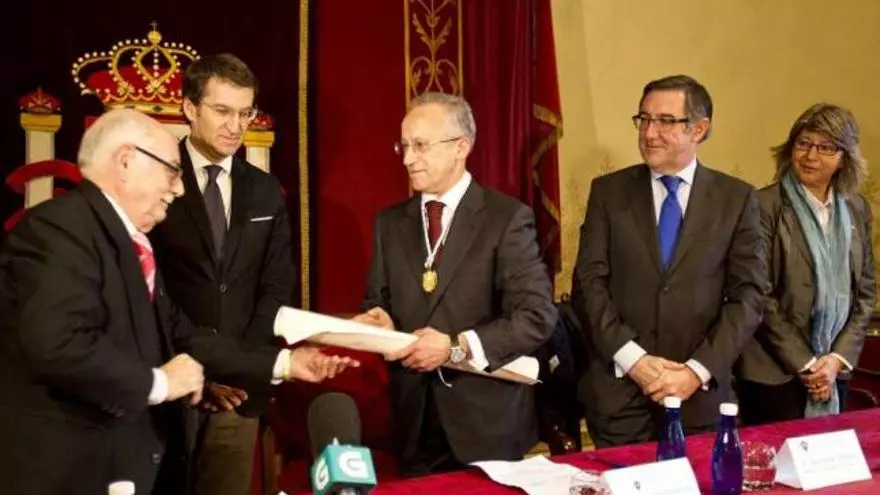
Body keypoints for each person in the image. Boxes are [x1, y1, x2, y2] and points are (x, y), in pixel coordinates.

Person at [0, 109, 356, 495]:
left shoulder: (127, 242)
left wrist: (285, 363)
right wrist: (162, 382)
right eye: (172, 170)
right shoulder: (58, 230)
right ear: (125, 162)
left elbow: (181, 334)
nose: (180, 188)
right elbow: (58, 346)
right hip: (65, 473)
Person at [358, 92, 557, 476]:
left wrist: (455, 347)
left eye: (420, 146)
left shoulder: (506, 219)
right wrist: (379, 323)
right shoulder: (389, 223)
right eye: (403, 146)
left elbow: (536, 316)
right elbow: (376, 301)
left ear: (461, 147)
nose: (407, 159)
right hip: (414, 422)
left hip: (487, 424)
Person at [570, 75, 764, 447]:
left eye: (664, 121)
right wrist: (634, 361)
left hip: (699, 398)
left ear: (699, 129)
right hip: (620, 396)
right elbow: (588, 285)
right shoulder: (608, 192)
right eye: (643, 119)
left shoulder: (736, 199)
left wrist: (695, 371)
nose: (649, 133)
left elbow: (749, 298)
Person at [147, 53, 296, 495]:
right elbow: (147, 285)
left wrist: (237, 367)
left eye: (245, 113)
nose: (236, 126)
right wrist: (196, 369)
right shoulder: (154, 179)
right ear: (190, 108)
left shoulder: (265, 190)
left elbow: (277, 285)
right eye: (222, 111)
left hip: (237, 391)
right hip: (166, 383)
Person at [736, 103, 876, 425]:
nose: (811, 155)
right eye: (804, 143)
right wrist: (808, 364)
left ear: (844, 158)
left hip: (834, 370)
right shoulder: (763, 205)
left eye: (825, 147)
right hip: (774, 372)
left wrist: (835, 360)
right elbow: (759, 293)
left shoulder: (856, 208)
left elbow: (866, 290)